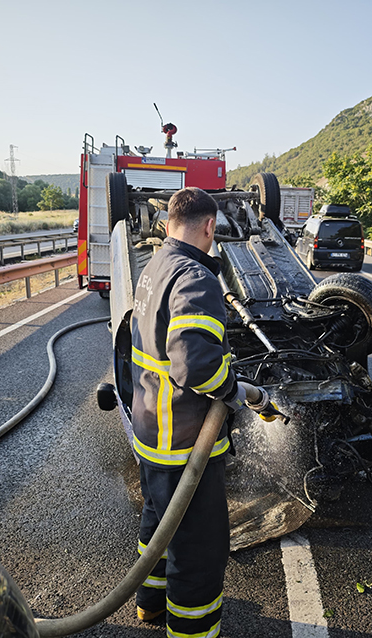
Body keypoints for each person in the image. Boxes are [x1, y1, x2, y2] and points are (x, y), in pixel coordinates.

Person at [130, 186, 274, 637]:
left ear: (168, 222)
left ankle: (149, 603)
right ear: (210, 226)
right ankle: (191, 631)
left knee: (157, 521)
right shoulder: (196, 276)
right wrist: (235, 391)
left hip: (150, 429)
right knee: (199, 548)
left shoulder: (154, 266)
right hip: (184, 441)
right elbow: (194, 363)